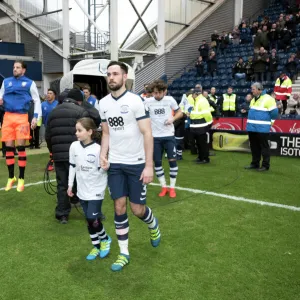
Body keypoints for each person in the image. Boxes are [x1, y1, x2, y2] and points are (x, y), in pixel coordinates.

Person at [99, 61, 161, 272]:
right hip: (115, 164)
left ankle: (153, 225)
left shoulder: (136, 101)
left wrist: (149, 165)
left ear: (125, 77)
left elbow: (147, 133)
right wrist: (102, 154)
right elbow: (106, 133)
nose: (111, 78)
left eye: (115, 74)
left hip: (136, 164)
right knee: (119, 206)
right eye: (108, 74)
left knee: (137, 210)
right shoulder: (103, 103)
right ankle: (123, 252)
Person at [68, 117, 111, 260]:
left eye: (80, 130)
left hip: (96, 190)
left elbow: (103, 168)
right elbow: (72, 166)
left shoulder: (99, 149)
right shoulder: (74, 146)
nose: (77, 133)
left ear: (90, 132)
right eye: (76, 130)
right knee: (88, 220)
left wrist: (106, 167)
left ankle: (105, 239)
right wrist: (70, 185)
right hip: (82, 190)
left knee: (93, 218)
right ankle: (96, 246)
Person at [45, 89, 89, 224]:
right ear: (79, 100)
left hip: (59, 153)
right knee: (83, 181)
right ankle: (90, 212)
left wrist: (53, 151)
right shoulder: (80, 111)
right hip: (77, 153)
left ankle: (62, 214)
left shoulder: (53, 112)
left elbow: (48, 135)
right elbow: (87, 132)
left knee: (62, 183)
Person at [0, 60, 41, 192]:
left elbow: (36, 100)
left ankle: (21, 178)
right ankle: (11, 177)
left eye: (18, 67)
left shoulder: (30, 83)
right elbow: (0, 96)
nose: (15, 69)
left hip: (22, 117)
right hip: (7, 117)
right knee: (8, 148)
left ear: (23, 70)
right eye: (14, 67)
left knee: (21, 147)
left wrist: (35, 116)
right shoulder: (6, 82)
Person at [144, 79, 183, 198]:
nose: (156, 95)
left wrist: (173, 119)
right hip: (155, 137)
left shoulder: (170, 100)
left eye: (159, 93)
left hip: (169, 136)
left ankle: (172, 188)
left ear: (164, 91)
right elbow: (144, 117)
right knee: (158, 163)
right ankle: (164, 187)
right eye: (154, 93)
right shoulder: (147, 102)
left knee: (172, 161)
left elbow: (180, 112)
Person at [245, 82, 278, 171]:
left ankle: (265, 165)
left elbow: (274, 113)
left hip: (262, 128)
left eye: (253, 89)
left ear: (259, 90)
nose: (252, 91)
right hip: (252, 128)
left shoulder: (268, 99)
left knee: (264, 147)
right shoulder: (253, 99)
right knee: (254, 146)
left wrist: (270, 123)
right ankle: (255, 163)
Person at [189, 88, 213, 164]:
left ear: (196, 94)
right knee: (199, 143)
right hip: (196, 125)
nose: (191, 95)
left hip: (201, 125)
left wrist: (209, 123)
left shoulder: (202, 101)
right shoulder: (198, 100)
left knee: (202, 143)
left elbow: (207, 114)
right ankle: (200, 157)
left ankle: (205, 159)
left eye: (192, 93)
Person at [42, 89, 58, 171]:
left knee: (56, 145)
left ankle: (53, 162)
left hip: (56, 128)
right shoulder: (43, 104)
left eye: (50, 93)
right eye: (47, 93)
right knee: (49, 146)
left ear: (54, 95)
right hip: (47, 128)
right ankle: (52, 160)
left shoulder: (58, 104)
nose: (48, 95)